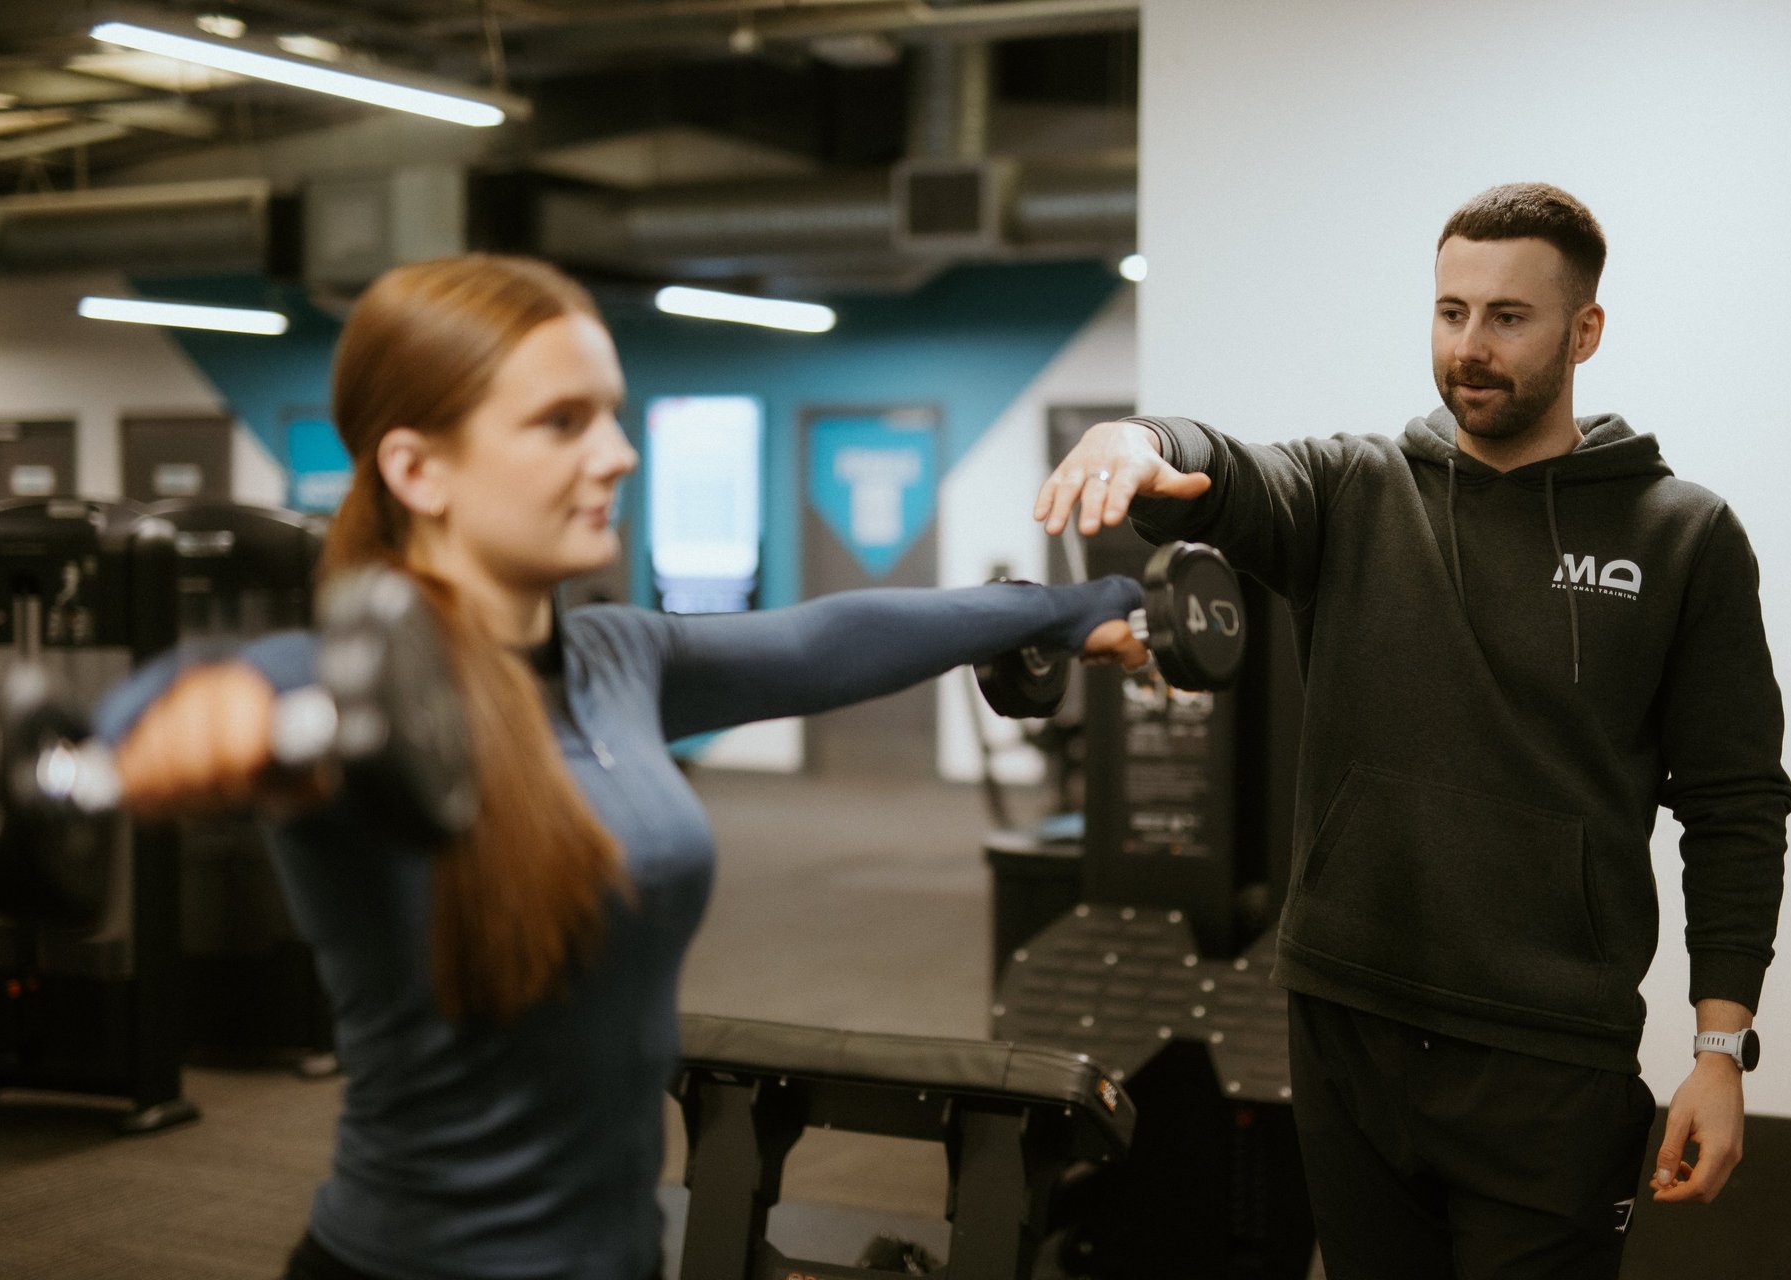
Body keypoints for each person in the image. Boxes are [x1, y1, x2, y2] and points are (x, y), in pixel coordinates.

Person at [93, 253, 1150, 1280]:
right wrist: (181, 724)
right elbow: (186, 707)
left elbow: (829, 640)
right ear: (418, 468)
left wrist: (1073, 610)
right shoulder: (337, 686)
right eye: (562, 421)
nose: (617, 452)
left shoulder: (618, 659)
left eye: (609, 413)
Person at [1034, 183, 1791, 1278]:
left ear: (1586, 331)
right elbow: (1232, 475)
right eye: (1450, 312)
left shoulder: (1682, 535)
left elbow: (1735, 806)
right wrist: (1143, 434)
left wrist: (1719, 1049)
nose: (1470, 347)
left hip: (1548, 1059)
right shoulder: (1356, 489)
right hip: (1350, 1023)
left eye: (1508, 317)